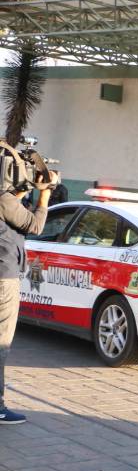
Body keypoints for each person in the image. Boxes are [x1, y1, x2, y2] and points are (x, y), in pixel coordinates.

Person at [1, 172, 52, 424]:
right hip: (3, 279)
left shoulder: (5, 199)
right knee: (1, 343)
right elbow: (35, 225)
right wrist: (45, 195)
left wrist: (21, 190)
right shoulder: (3, 200)